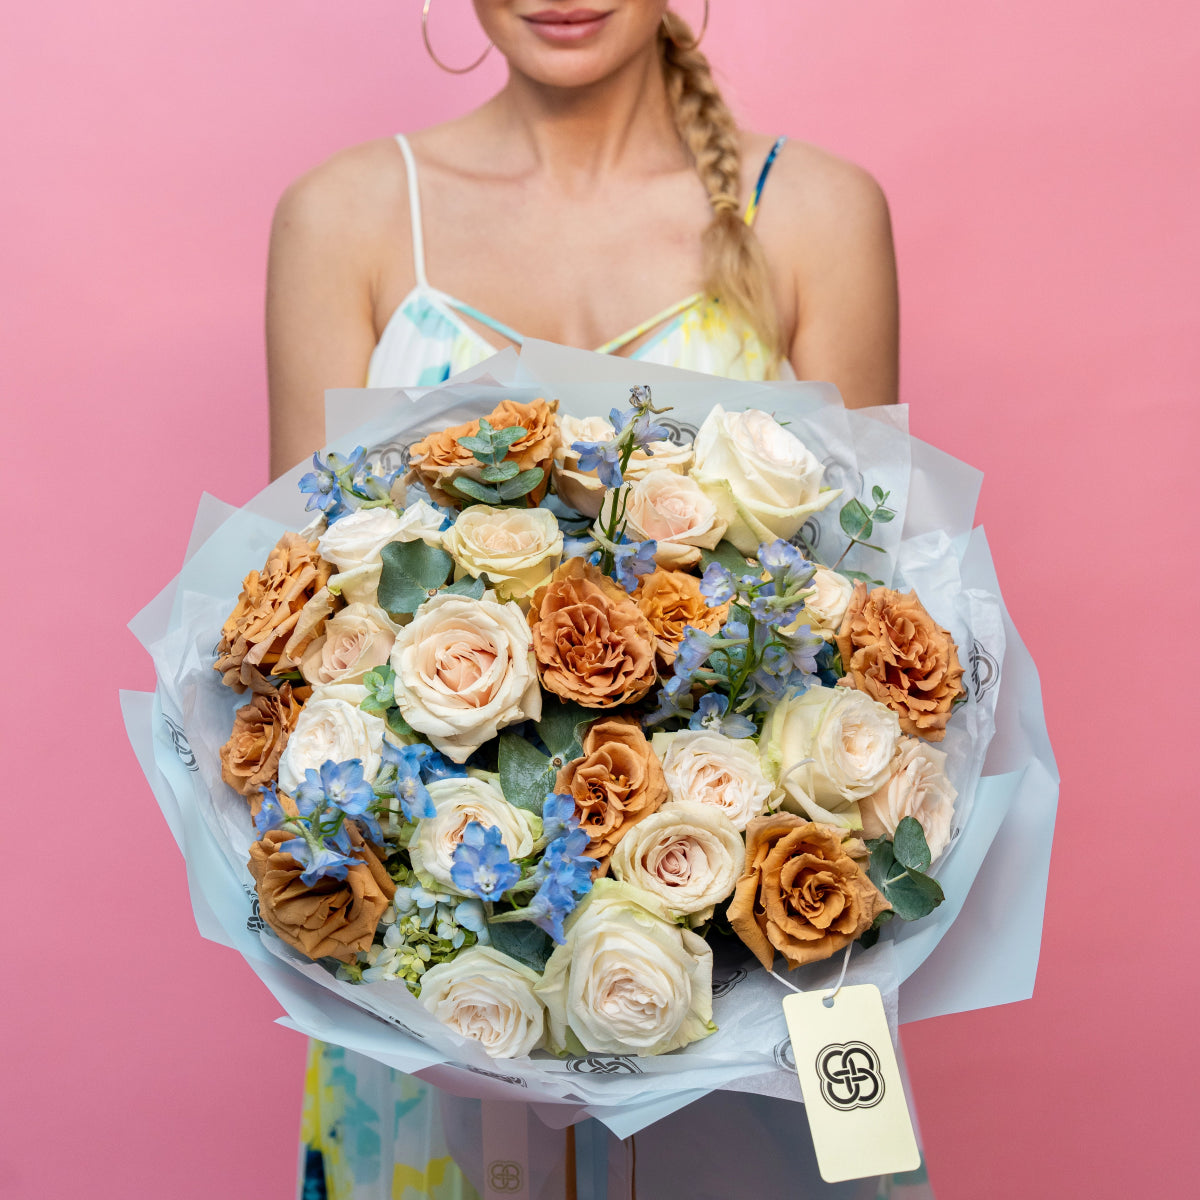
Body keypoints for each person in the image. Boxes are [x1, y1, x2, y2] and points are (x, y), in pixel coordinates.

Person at [266, 4, 901, 1196]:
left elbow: (873, 653)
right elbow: (298, 649)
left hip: (751, 1014)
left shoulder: (817, 215)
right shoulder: (345, 219)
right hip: (437, 1003)